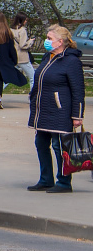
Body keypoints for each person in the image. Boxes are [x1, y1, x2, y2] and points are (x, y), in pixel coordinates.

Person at [27, 25, 85, 193]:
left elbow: (78, 90)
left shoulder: (71, 61)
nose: (46, 41)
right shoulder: (48, 57)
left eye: (50, 38)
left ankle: (64, 182)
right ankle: (45, 179)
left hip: (60, 112)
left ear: (60, 42)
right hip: (43, 111)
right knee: (40, 143)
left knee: (59, 147)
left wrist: (77, 115)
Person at [11, 12, 35, 89]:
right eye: (25, 20)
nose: (26, 22)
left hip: (13, 55)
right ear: (21, 20)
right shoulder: (22, 30)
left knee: (9, 76)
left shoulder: (11, 29)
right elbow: (22, 45)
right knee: (33, 77)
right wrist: (30, 41)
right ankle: (32, 96)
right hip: (22, 57)